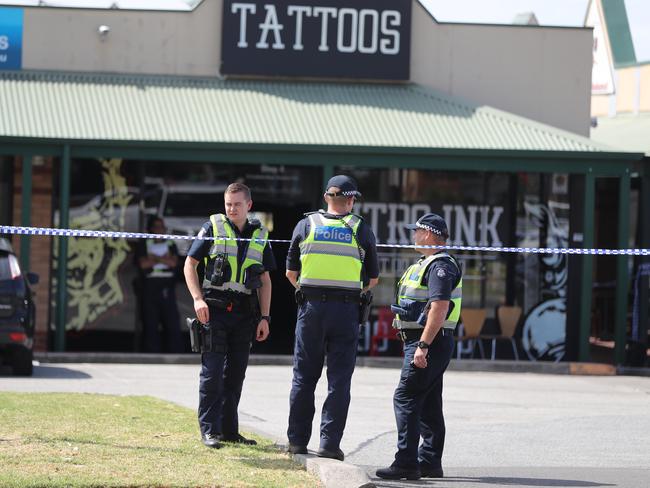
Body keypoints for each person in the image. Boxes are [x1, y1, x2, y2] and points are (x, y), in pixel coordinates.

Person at [285, 174, 379, 461]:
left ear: (327, 197)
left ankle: (297, 442)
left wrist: (310, 290)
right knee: (339, 381)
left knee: (304, 378)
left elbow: (290, 274)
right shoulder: (360, 228)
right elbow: (373, 278)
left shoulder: (306, 224)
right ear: (351, 199)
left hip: (311, 309)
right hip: (345, 311)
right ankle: (329, 444)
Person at [183, 182, 276, 449]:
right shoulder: (212, 227)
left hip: (246, 313)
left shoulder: (260, 234)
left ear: (249, 205)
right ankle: (209, 431)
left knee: (235, 375)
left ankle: (229, 431)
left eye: (236, 204)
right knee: (212, 374)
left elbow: (266, 280)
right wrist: (198, 298)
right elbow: (190, 264)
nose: (231, 209)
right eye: (228, 204)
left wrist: (265, 317)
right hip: (215, 310)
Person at [376, 213, 462, 481]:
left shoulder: (440, 266)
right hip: (427, 340)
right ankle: (429, 462)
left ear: (428, 233)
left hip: (429, 342)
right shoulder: (427, 263)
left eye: (417, 231)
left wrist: (422, 345)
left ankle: (406, 463)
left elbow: (439, 307)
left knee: (406, 398)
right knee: (429, 403)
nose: (413, 235)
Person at [135, 216, 183, 353]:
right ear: (150, 229)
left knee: (172, 322)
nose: (159, 230)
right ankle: (151, 353)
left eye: (161, 227)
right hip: (150, 286)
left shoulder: (170, 243)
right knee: (150, 323)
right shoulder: (144, 243)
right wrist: (163, 259)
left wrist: (154, 258)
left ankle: (176, 353)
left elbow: (173, 262)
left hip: (167, 286)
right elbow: (143, 263)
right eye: (156, 226)